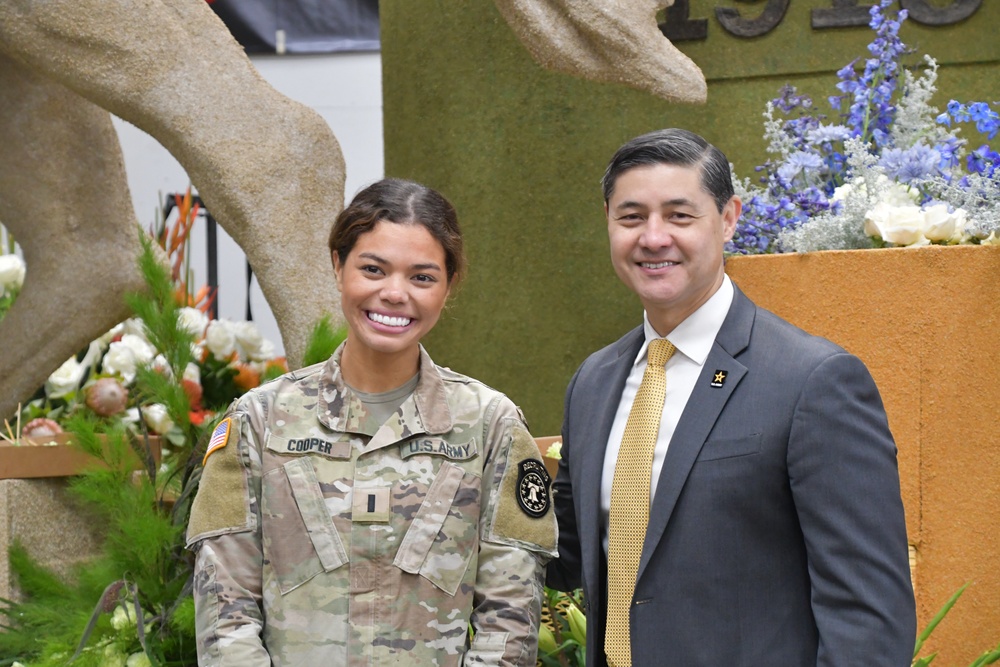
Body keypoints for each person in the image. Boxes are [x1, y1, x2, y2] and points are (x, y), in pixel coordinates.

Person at [546, 129, 916, 666]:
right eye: (632, 217)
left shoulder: (813, 380)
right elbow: (567, 554)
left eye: (679, 215)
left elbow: (869, 612)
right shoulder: (594, 382)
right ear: (608, 221)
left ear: (728, 218)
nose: (653, 238)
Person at [186, 178, 557, 666]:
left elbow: (509, 618)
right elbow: (225, 612)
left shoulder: (490, 426)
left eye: (422, 277)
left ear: (449, 287)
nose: (394, 293)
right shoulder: (260, 419)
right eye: (373, 269)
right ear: (339, 267)